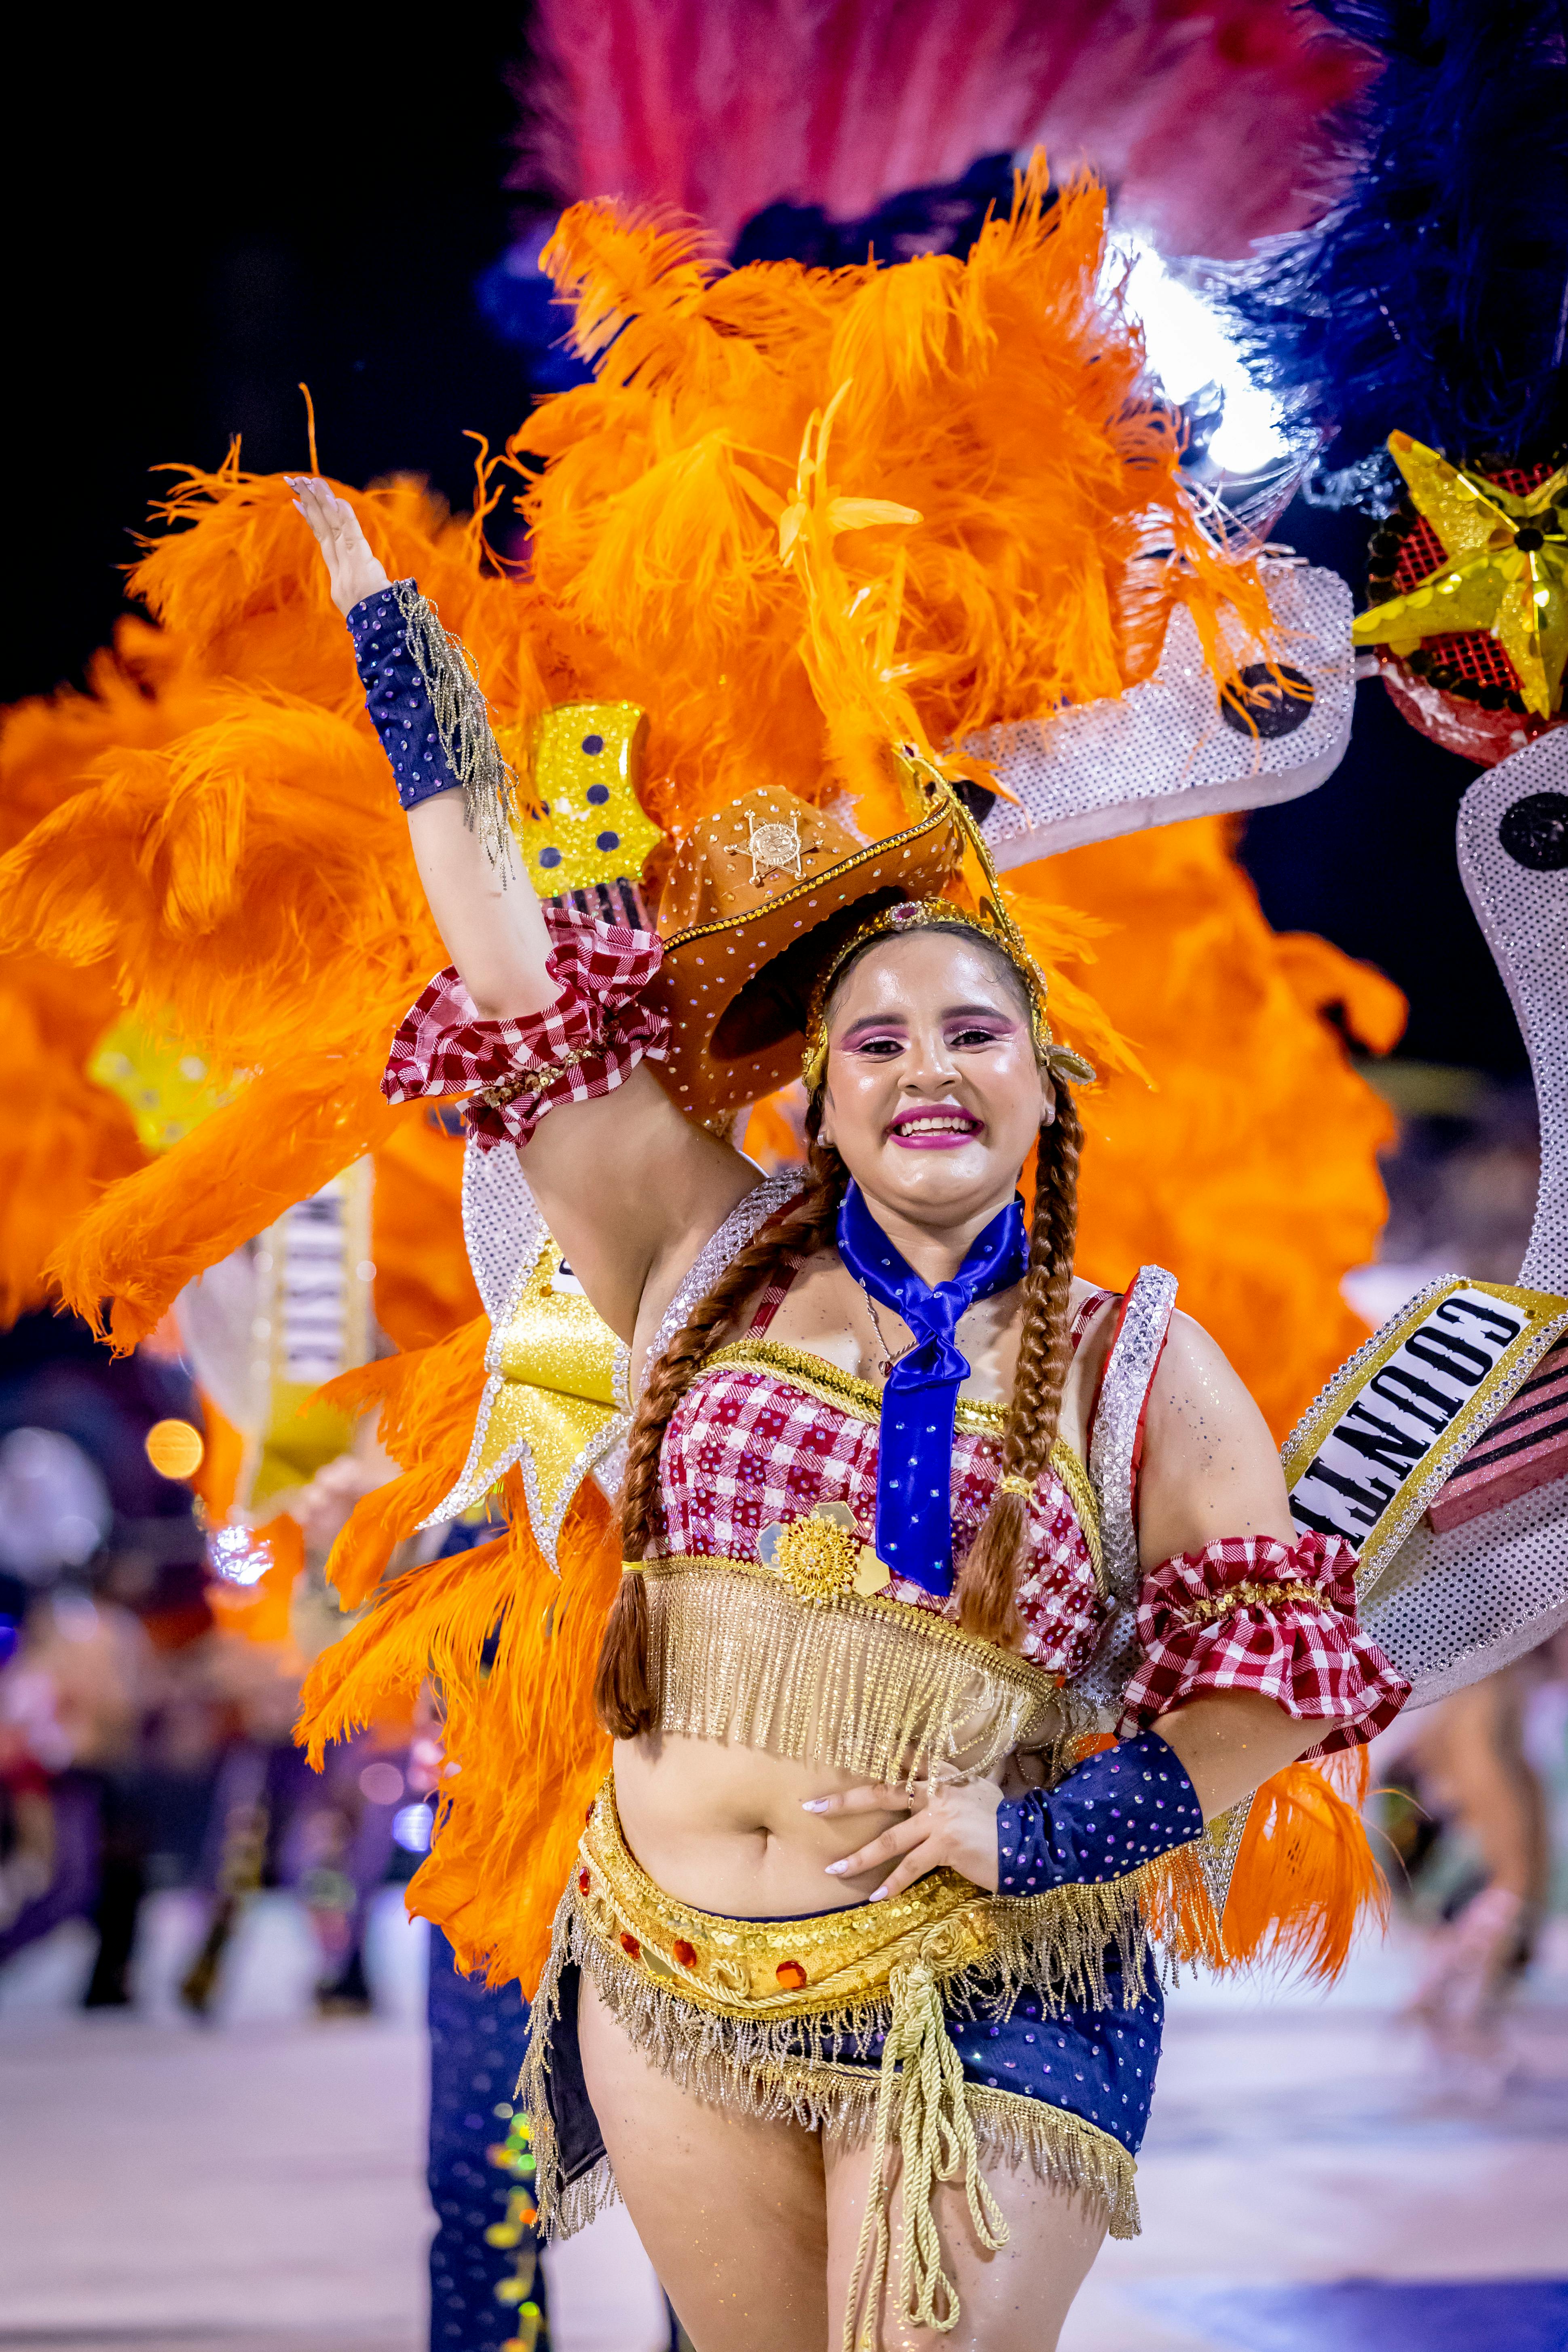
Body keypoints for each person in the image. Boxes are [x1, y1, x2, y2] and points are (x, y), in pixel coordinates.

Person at [286, 475, 1407, 2352]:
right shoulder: (688, 1250)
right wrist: (403, 665)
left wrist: (1032, 1838)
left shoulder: (1143, 1358)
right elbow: (514, 976)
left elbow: (1264, 1695)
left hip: (983, 1976)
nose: (925, 1068)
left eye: (971, 1031)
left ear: (1044, 1080)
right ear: (810, 1095)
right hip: (666, 1969)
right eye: (873, 1039)